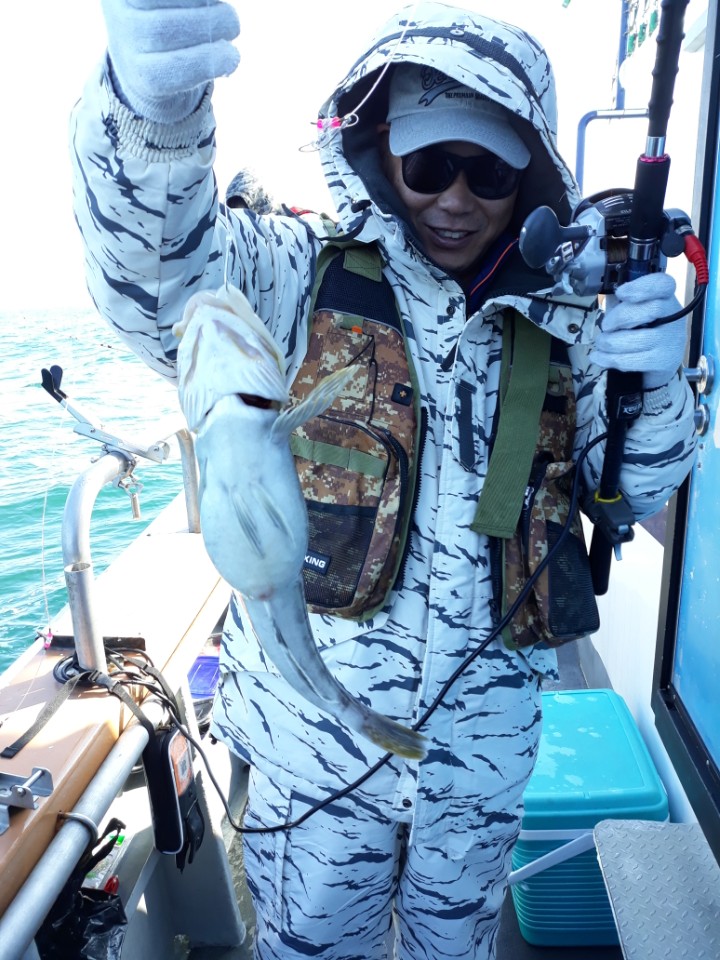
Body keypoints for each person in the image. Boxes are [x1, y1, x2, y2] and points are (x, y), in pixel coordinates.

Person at [71, 3, 697, 957]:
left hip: (479, 770)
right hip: (310, 760)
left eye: (490, 173)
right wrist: (152, 124)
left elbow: (636, 491)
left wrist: (656, 389)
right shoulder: (297, 273)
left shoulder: (573, 324)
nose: (456, 199)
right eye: (428, 165)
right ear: (380, 153)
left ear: (531, 175)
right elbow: (157, 285)